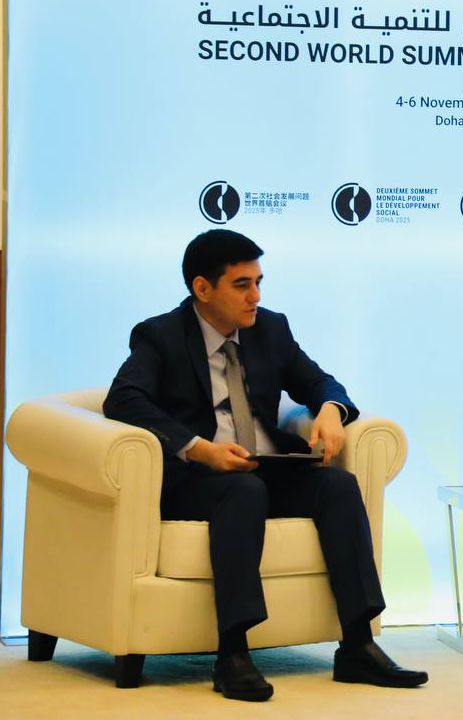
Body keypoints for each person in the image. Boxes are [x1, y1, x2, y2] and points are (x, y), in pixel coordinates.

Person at [103, 229, 427, 701]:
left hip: (264, 468)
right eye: (242, 285)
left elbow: (320, 381)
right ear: (202, 288)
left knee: (337, 485)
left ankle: (358, 644)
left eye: (258, 282)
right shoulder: (161, 336)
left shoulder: (270, 328)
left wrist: (331, 410)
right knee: (244, 491)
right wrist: (201, 449)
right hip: (198, 479)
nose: (255, 296)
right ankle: (232, 654)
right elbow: (124, 399)